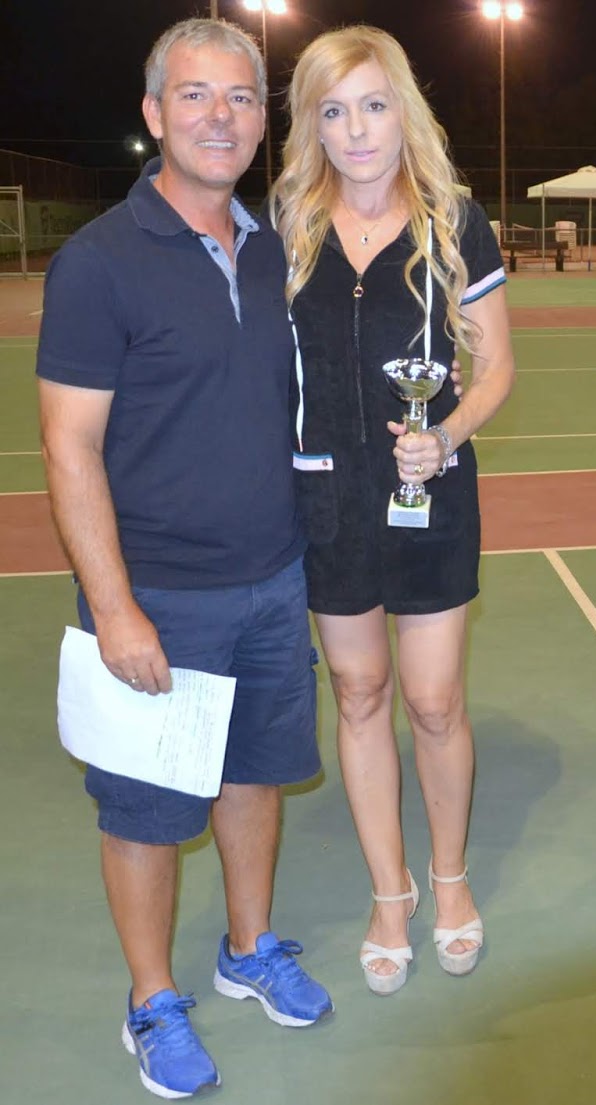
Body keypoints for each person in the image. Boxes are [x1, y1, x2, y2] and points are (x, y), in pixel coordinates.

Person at [36, 18, 331, 1098]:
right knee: (148, 811)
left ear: (261, 119)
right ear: (155, 115)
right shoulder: (98, 263)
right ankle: (152, 998)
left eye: (242, 98)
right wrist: (115, 607)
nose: (221, 117)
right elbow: (69, 447)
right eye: (196, 96)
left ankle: (249, 947)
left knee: (254, 777)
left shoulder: (275, 248)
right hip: (157, 594)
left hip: (274, 581)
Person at [270, 26, 514, 990]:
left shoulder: (455, 220)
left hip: (431, 496)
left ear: (401, 110)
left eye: (373, 105)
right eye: (333, 111)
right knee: (359, 692)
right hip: (326, 498)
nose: (357, 130)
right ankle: (390, 891)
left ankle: (450, 879)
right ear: (313, 125)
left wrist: (444, 436)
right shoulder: (288, 224)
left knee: (434, 699)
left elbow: (495, 369)